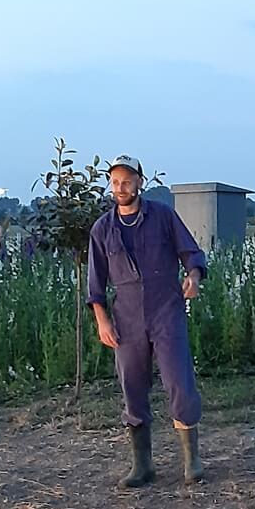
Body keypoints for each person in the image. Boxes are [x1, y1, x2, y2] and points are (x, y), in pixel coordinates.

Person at [86, 154, 207, 488]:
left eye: (126, 181)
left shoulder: (164, 217)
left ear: (140, 182)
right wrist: (102, 321)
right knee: (132, 388)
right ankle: (143, 466)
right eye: (115, 182)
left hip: (166, 309)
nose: (120, 188)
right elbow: (94, 284)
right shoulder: (102, 229)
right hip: (125, 318)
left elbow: (191, 253)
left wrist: (193, 277)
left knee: (179, 382)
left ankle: (191, 461)